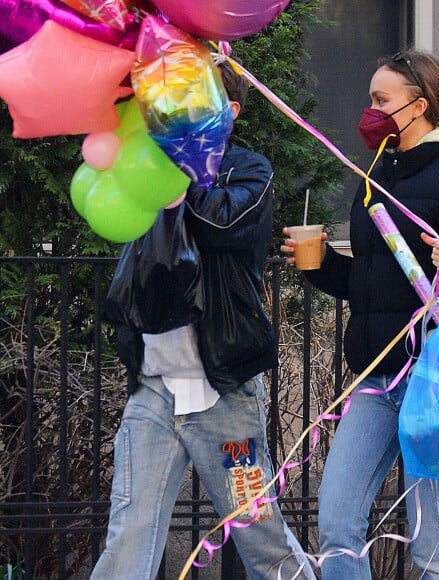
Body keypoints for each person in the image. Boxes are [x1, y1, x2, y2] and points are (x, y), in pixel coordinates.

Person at [92, 60, 316, 580]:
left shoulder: (250, 169)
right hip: (153, 389)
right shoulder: (147, 163)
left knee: (260, 535)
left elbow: (228, 222)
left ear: (229, 111)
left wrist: (181, 186)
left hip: (223, 396)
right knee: (129, 536)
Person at [282, 49, 439, 579]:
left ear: (418, 106)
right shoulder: (374, 179)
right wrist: (318, 265)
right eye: (371, 98)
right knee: (336, 519)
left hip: (433, 379)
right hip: (377, 377)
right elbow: (369, 284)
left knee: (435, 543)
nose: (371, 110)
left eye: (382, 100)